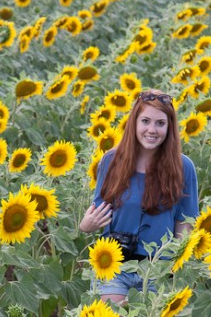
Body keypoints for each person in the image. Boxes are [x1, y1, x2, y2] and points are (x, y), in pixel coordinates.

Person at [79, 89, 199, 305]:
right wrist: (86, 226)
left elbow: (185, 222)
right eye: (145, 121)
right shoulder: (111, 161)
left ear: (169, 128)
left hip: (158, 268)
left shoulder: (183, 167)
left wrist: (177, 269)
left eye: (160, 123)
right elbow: (98, 214)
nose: (152, 130)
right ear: (134, 122)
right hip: (115, 264)